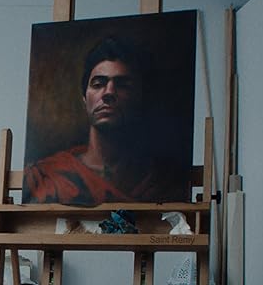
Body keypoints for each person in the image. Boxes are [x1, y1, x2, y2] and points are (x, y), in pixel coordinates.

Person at [24, 36, 189, 206]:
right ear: (84, 98)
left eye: (122, 85)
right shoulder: (49, 175)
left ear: (141, 97)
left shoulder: (163, 180)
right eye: (98, 84)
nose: (108, 93)